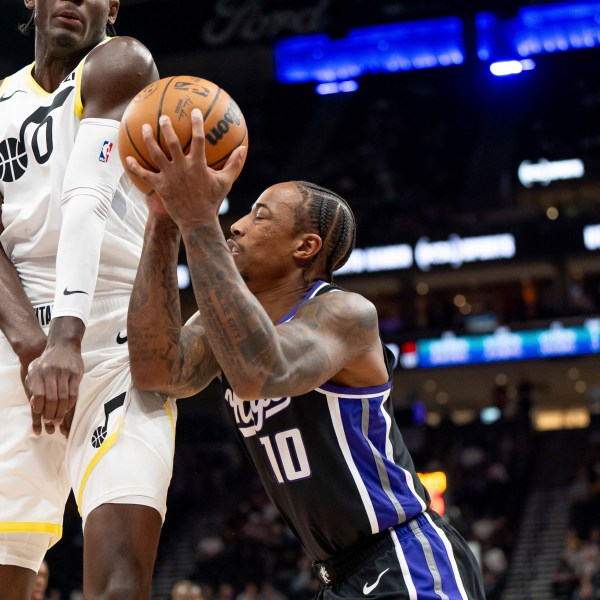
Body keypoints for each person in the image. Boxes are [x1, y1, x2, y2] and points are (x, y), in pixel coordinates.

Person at [124, 109, 486, 599]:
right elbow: (156, 370)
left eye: (260, 215)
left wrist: (197, 219)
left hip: (404, 557)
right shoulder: (224, 326)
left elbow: (259, 371)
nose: (236, 225)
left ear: (305, 247)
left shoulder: (345, 315)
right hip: (335, 576)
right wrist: (163, 223)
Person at [0, 1, 176, 598]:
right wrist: (31, 344)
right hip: (16, 352)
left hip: (110, 343)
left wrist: (65, 339)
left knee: (119, 582)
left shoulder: (121, 63)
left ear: (114, 6)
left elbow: (87, 198)